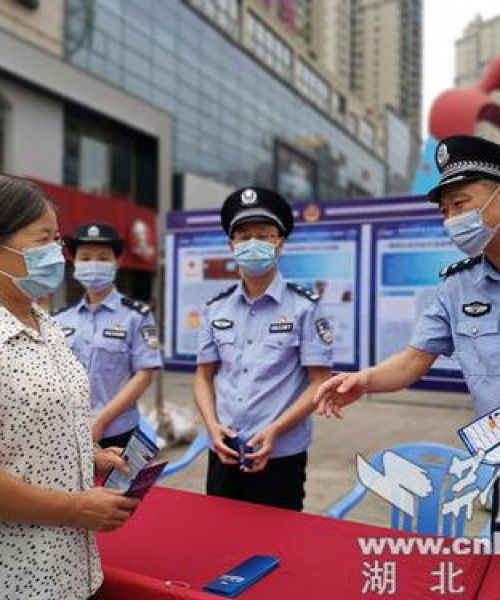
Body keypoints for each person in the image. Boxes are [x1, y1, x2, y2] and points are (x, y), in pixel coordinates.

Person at [313, 134, 500, 545]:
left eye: (461, 204)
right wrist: (362, 381)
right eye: (445, 209)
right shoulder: (458, 287)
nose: (451, 218)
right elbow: (414, 359)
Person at [0, 175, 138, 599]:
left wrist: (89, 455)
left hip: (72, 565)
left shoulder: (45, 323)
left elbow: (33, 422)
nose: (57, 254)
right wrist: (78, 508)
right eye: (44, 238)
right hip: (19, 574)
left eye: (57, 239)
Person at [193, 187, 334, 511]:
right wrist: (212, 427)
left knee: (276, 547)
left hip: (280, 453)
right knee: (219, 539)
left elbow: (319, 382)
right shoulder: (215, 308)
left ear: (279, 243)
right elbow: (202, 376)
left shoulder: (304, 307)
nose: (252, 243)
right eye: (243, 236)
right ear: (232, 246)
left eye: (263, 235)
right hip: (223, 449)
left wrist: (276, 430)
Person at [53, 224, 163, 449]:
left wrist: (102, 420)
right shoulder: (58, 319)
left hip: (119, 432)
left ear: (117, 262)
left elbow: (144, 375)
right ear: (74, 262)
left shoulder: (137, 316)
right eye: (85, 257)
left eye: (103, 258)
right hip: (67, 432)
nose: (94, 263)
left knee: (116, 486)